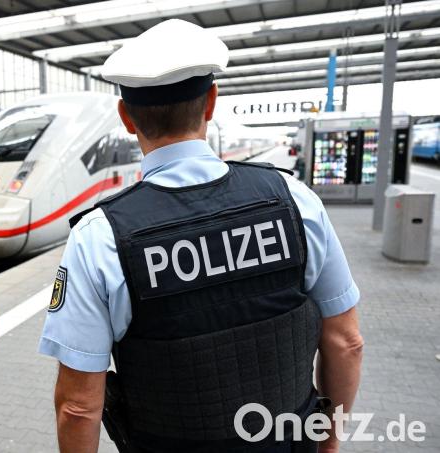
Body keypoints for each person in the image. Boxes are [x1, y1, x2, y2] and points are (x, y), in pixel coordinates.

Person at [39, 19, 363, 453]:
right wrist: (329, 441)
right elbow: (346, 341)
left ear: (126, 118)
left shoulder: (101, 238)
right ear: (211, 102)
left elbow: (78, 406)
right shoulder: (295, 201)